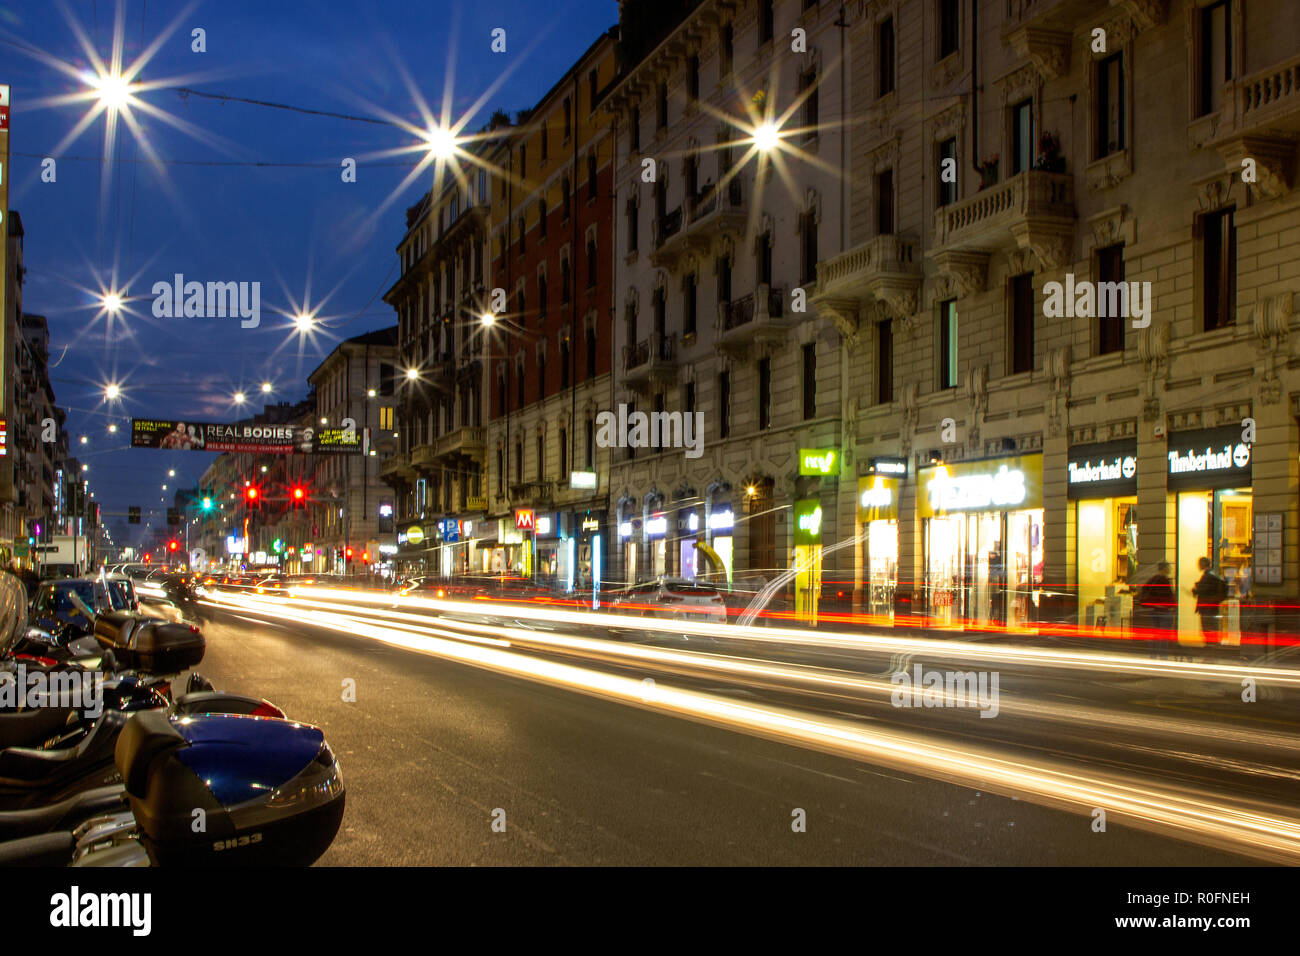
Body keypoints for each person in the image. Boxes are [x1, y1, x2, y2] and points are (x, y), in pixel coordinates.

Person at [1133, 562, 1176, 656]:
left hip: (1154, 610)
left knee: (1156, 633)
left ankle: (1153, 653)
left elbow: (1144, 590)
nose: (1170, 570)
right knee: (1164, 635)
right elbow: (1168, 596)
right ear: (1164, 568)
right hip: (1164, 610)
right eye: (1169, 568)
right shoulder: (1164, 580)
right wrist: (1172, 605)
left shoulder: (1153, 579)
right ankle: (1163, 654)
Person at [1192, 556, 1226, 644]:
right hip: (1211, 608)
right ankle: (1212, 648)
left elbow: (1203, 590)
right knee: (1211, 630)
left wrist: (1196, 589)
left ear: (1203, 564)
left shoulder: (1207, 576)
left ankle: (1211, 650)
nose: (1198, 565)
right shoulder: (1212, 574)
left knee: (1208, 630)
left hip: (1207, 608)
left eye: (1199, 563)